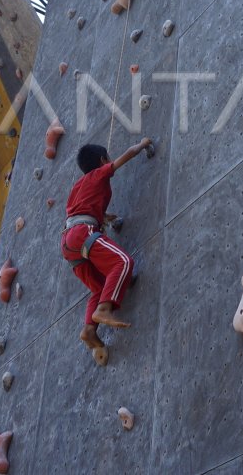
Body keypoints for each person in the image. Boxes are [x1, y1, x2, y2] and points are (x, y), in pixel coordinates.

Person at [61, 138, 151, 362]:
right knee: (123, 263)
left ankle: (89, 330)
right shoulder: (98, 174)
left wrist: (107, 218)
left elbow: (82, 210)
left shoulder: (77, 187)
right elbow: (126, 155)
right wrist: (142, 144)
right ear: (102, 161)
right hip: (83, 233)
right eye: (107, 158)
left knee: (99, 288)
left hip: (69, 243)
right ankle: (103, 310)